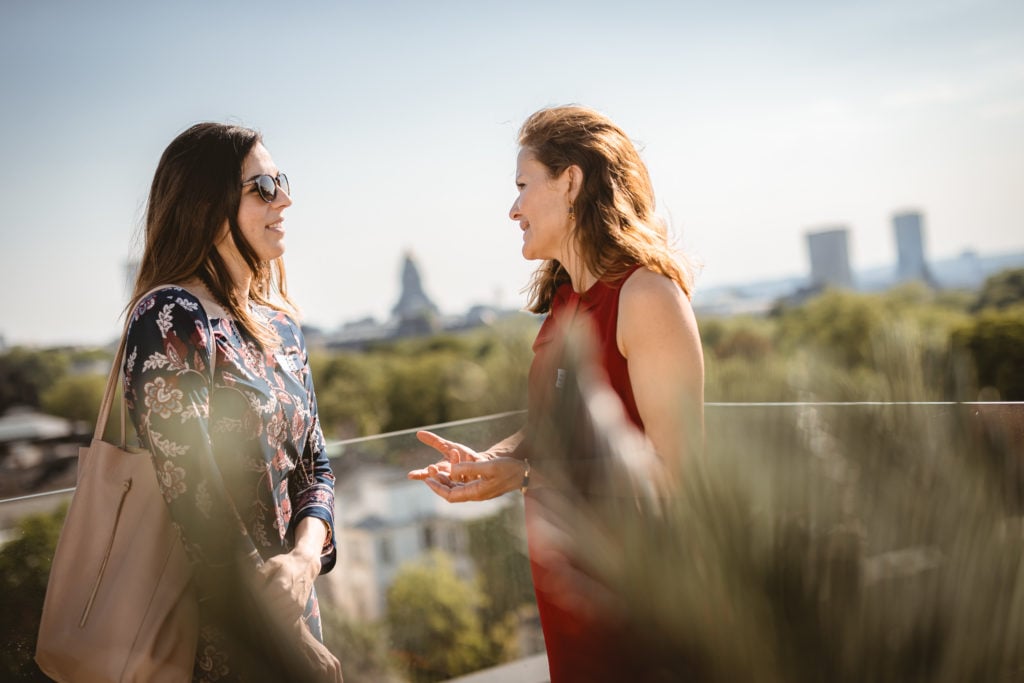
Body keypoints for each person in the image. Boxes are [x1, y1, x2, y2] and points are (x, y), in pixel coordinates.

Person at [409, 105, 704, 682]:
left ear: (570, 180)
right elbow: (563, 429)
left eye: (523, 186)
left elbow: (674, 475)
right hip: (572, 599)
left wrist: (525, 476)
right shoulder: (567, 301)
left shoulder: (646, 297)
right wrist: (495, 461)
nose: (513, 209)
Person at [123, 122, 343, 682]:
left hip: (294, 602)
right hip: (223, 633)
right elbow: (200, 509)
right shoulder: (169, 319)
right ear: (206, 205)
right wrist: (290, 642)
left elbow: (316, 463)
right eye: (262, 188)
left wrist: (302, 559)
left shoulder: (281, 325)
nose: (285, 199)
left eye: (280, 182)